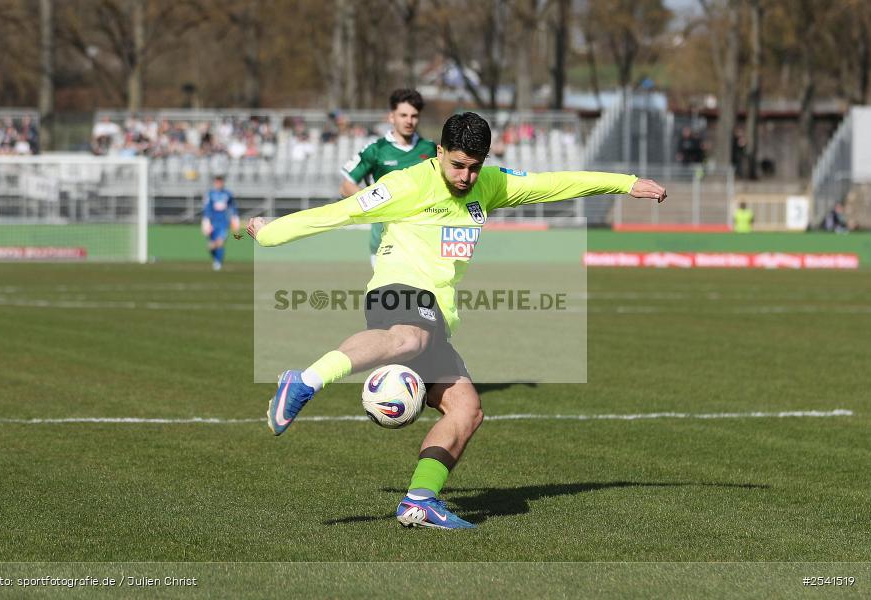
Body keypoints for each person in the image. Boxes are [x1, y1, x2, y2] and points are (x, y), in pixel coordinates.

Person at [242, 112, 667, 529]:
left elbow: (553, 183)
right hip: (397, 289)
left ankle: (419, 500)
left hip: (437, 313)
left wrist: (625, 184)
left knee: (466, 409)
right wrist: (271, 232)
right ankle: (304, 381)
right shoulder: (408, 184)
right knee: (408, 338)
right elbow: (342, 212)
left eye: (474, 167)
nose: (465, 177)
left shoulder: (491, 183)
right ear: (439, 152)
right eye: (458, 165)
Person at [339, 89, 437, 267]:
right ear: (391, 117)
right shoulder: (376, 149)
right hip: (384, 241)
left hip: (422, 239)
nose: (409, 121)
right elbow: (346, 187)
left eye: (414, 116)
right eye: (403, 115)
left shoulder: (430, 149)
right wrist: (378, 202)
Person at [201, 175, 240, 271]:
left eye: (220, 182)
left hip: (223, 222)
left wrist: (235, 219)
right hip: (212, 222)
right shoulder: (210, 194)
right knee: (211, 246)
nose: (219, 184)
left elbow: (232, 208)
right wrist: (206, 221)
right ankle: (216, 260)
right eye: (217, 182)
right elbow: (207, 208)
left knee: (220, 243)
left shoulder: (227, 194)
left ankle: (218, 262)